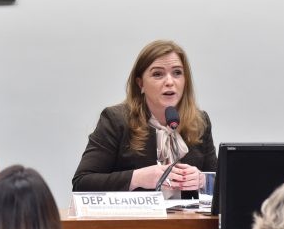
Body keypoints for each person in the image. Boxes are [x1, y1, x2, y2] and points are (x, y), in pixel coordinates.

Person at [72, 39, 217, 197]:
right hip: (134, 221)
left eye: (177, 73)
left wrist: (203, 180)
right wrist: (137, 178)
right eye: (157, 74)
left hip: (187, 221)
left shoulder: (199, 122)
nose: (170, 82)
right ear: (140, 84)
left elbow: (224, 184)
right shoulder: (116, 120)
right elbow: (82, 183)